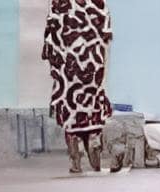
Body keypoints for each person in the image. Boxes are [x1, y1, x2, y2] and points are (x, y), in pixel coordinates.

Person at [42, 0, 113, 173]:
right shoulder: (97, 3)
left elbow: (52, 34)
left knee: (71, 112)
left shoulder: (59, 3)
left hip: (70, 69)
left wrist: (55, 62)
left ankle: (77, 156)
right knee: (91, 108)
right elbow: (105, 35)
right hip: (91, 66)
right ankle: (93, 148)